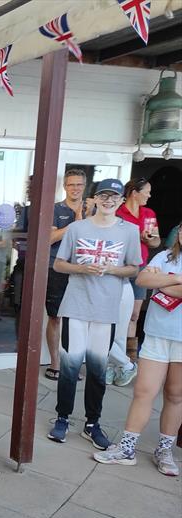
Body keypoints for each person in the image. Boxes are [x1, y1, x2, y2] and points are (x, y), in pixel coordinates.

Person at [47, 179, 141, 450]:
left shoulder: (130, 232)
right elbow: (59, 264)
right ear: (95, 198)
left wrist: (110, 270)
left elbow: (133, 268)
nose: (108, 201)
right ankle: (62, 418)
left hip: (106, 309)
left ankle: (92, 424)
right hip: (75, 306)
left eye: (114, 196)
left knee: (98, 371)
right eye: (103, 195)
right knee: (69, 367)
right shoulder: (77, 228)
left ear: (122, 200)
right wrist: (82, 269)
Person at [94, 222, 182, 476]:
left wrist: (161, 281)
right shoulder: (165, 256)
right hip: (156, 335)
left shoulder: (162, 263)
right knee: (143, 391)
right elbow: (142, 279)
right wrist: (175, 278)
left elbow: (154, 282)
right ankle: (127, 448)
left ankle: (164, 451)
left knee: (176, 395)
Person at [44, 169, 88, 381]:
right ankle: (55, 363)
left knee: (78, 320)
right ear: (65, 187)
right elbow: (49, 239)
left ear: (84, 186)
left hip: (84, 271)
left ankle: (72, 364)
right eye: (71, 184)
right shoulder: (55, 209)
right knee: (55, 317)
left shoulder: (94, 211)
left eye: (79, 185)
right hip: (57, 268)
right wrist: (75, 224)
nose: (75, 188)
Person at [115, 178, 160, 362]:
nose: (149, 195)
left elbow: (156, 242)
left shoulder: (149, 213)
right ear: (134, 192)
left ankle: (128, 360)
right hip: (120, 266)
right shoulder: (118, 212)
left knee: (133, 314)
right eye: (147, 192)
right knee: (117, 313)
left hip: (140, 266)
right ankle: (113, 358)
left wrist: (147, 239)